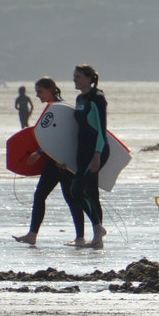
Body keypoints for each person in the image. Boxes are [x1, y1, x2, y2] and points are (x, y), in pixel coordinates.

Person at [12, 76, 84, 247]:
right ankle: (32, 234)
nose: (37, 96)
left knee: (70, 197)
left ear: (50, 90)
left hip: (61, 162)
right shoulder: (54, 107)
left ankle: (82, 236)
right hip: (54, 160)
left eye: (40, 92)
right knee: (43, 195)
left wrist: (38, 153)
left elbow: (60, 137)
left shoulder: (59, 108)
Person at [69, 64, 109, 248]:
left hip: (95, 150)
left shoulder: (97, 98)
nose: (74, 79)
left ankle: (98, 228)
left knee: (76, 191)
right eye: (74, 76)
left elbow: (101, 130)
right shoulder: (79, 99)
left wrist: (97, 155)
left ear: (88, 78)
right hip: (81, 151)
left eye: (77, 76)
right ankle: (97, 240)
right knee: (92, 193)